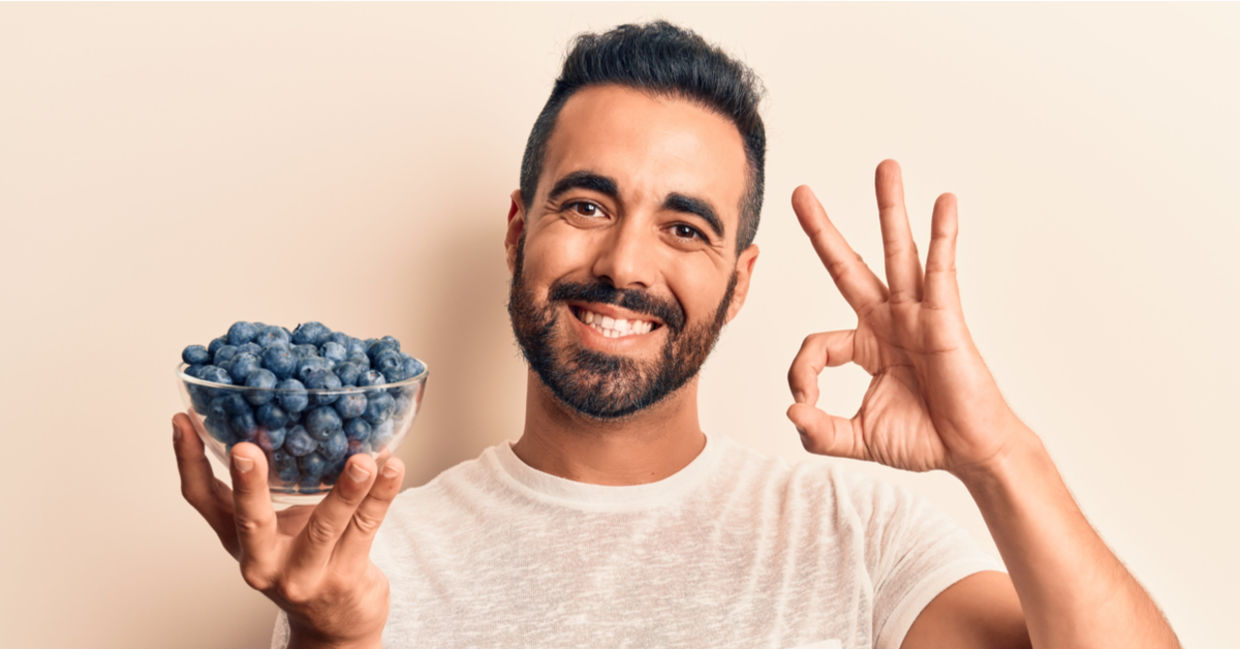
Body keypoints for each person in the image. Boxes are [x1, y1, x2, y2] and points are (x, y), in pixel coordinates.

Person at [172, 21, 1182, 649]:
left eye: (685, 226)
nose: (625, 263)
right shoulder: (374, 560)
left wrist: (997, 453)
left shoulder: (857, 536)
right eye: (586, 204)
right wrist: (330, 636)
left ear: (738, 282)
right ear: (519, 231)